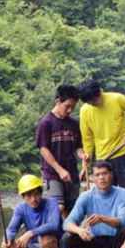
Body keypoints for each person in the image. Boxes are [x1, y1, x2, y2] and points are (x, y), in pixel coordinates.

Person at [76, 78, 125, 224]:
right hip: (103, 160)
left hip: (123, 154)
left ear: (99, 92)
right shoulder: (85, 111)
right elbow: (87, 139)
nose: (94, 104)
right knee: (107, 197)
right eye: (89, 102)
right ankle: (112, 233)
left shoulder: (117, 99)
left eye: (94, 100)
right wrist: (86, 165)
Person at [61, 160, 125, 248]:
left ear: (111, 174)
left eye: (105, 173)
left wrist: (102, 218)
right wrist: (79, 230)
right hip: (96, 243)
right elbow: (67, 223)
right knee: (68, 237)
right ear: (92, 178)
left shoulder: (122, 193)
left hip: (116, 242)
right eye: (97, 175)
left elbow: (124, 221)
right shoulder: (86, 196)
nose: (102, 178)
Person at [35, 84, 88, 218]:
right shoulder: (46, 123)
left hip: (71, 172)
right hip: (53, 173)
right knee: (59, 207)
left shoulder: (74, 124)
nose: (70, 110)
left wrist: (83, 155)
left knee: (72, 211)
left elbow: (78, 146)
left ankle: (67, 237)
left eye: (73, 107)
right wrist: (60, 170)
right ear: (57, 101)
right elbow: (44, 150)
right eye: (67, 106)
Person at [2, 174, 65, 248]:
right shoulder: (20, 208)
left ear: (41, 193)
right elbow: (11, 229)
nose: (34, 199)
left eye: (36, 194)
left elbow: (53, 225)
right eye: (29, 196)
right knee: (11, 244)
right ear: (23, 197)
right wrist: (6, 240)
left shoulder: (51, 203)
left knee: (45, 237)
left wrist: (30, 233)